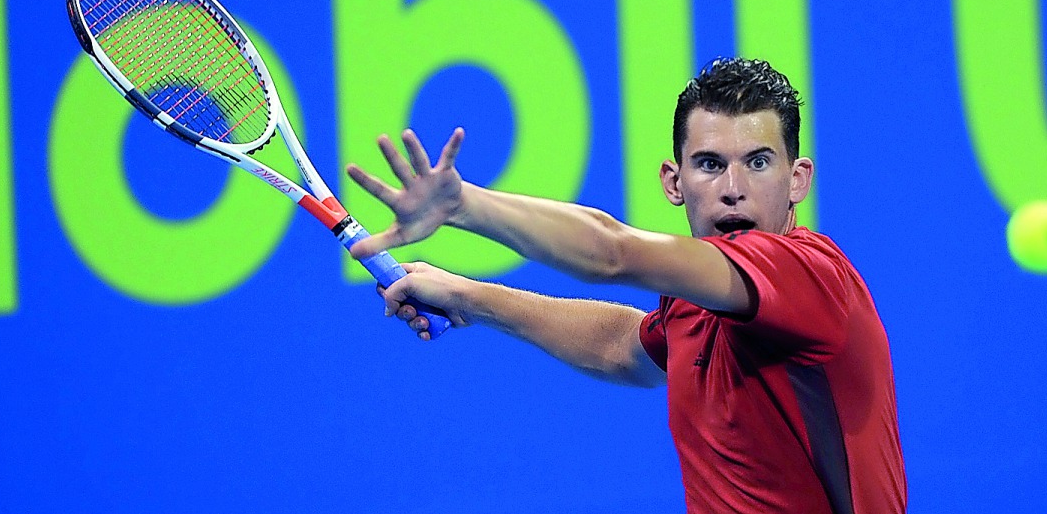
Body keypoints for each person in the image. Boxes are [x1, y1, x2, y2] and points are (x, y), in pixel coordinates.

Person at [346, 57, 906, 514]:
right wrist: (468, 295)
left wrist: (465, 205)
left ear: (797, 180)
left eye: (758, 163)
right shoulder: (698, 301)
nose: (733, 189)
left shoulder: (808, 275)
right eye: (710, 164)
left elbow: (612, 253)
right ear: (674, 181)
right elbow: (624, 347)